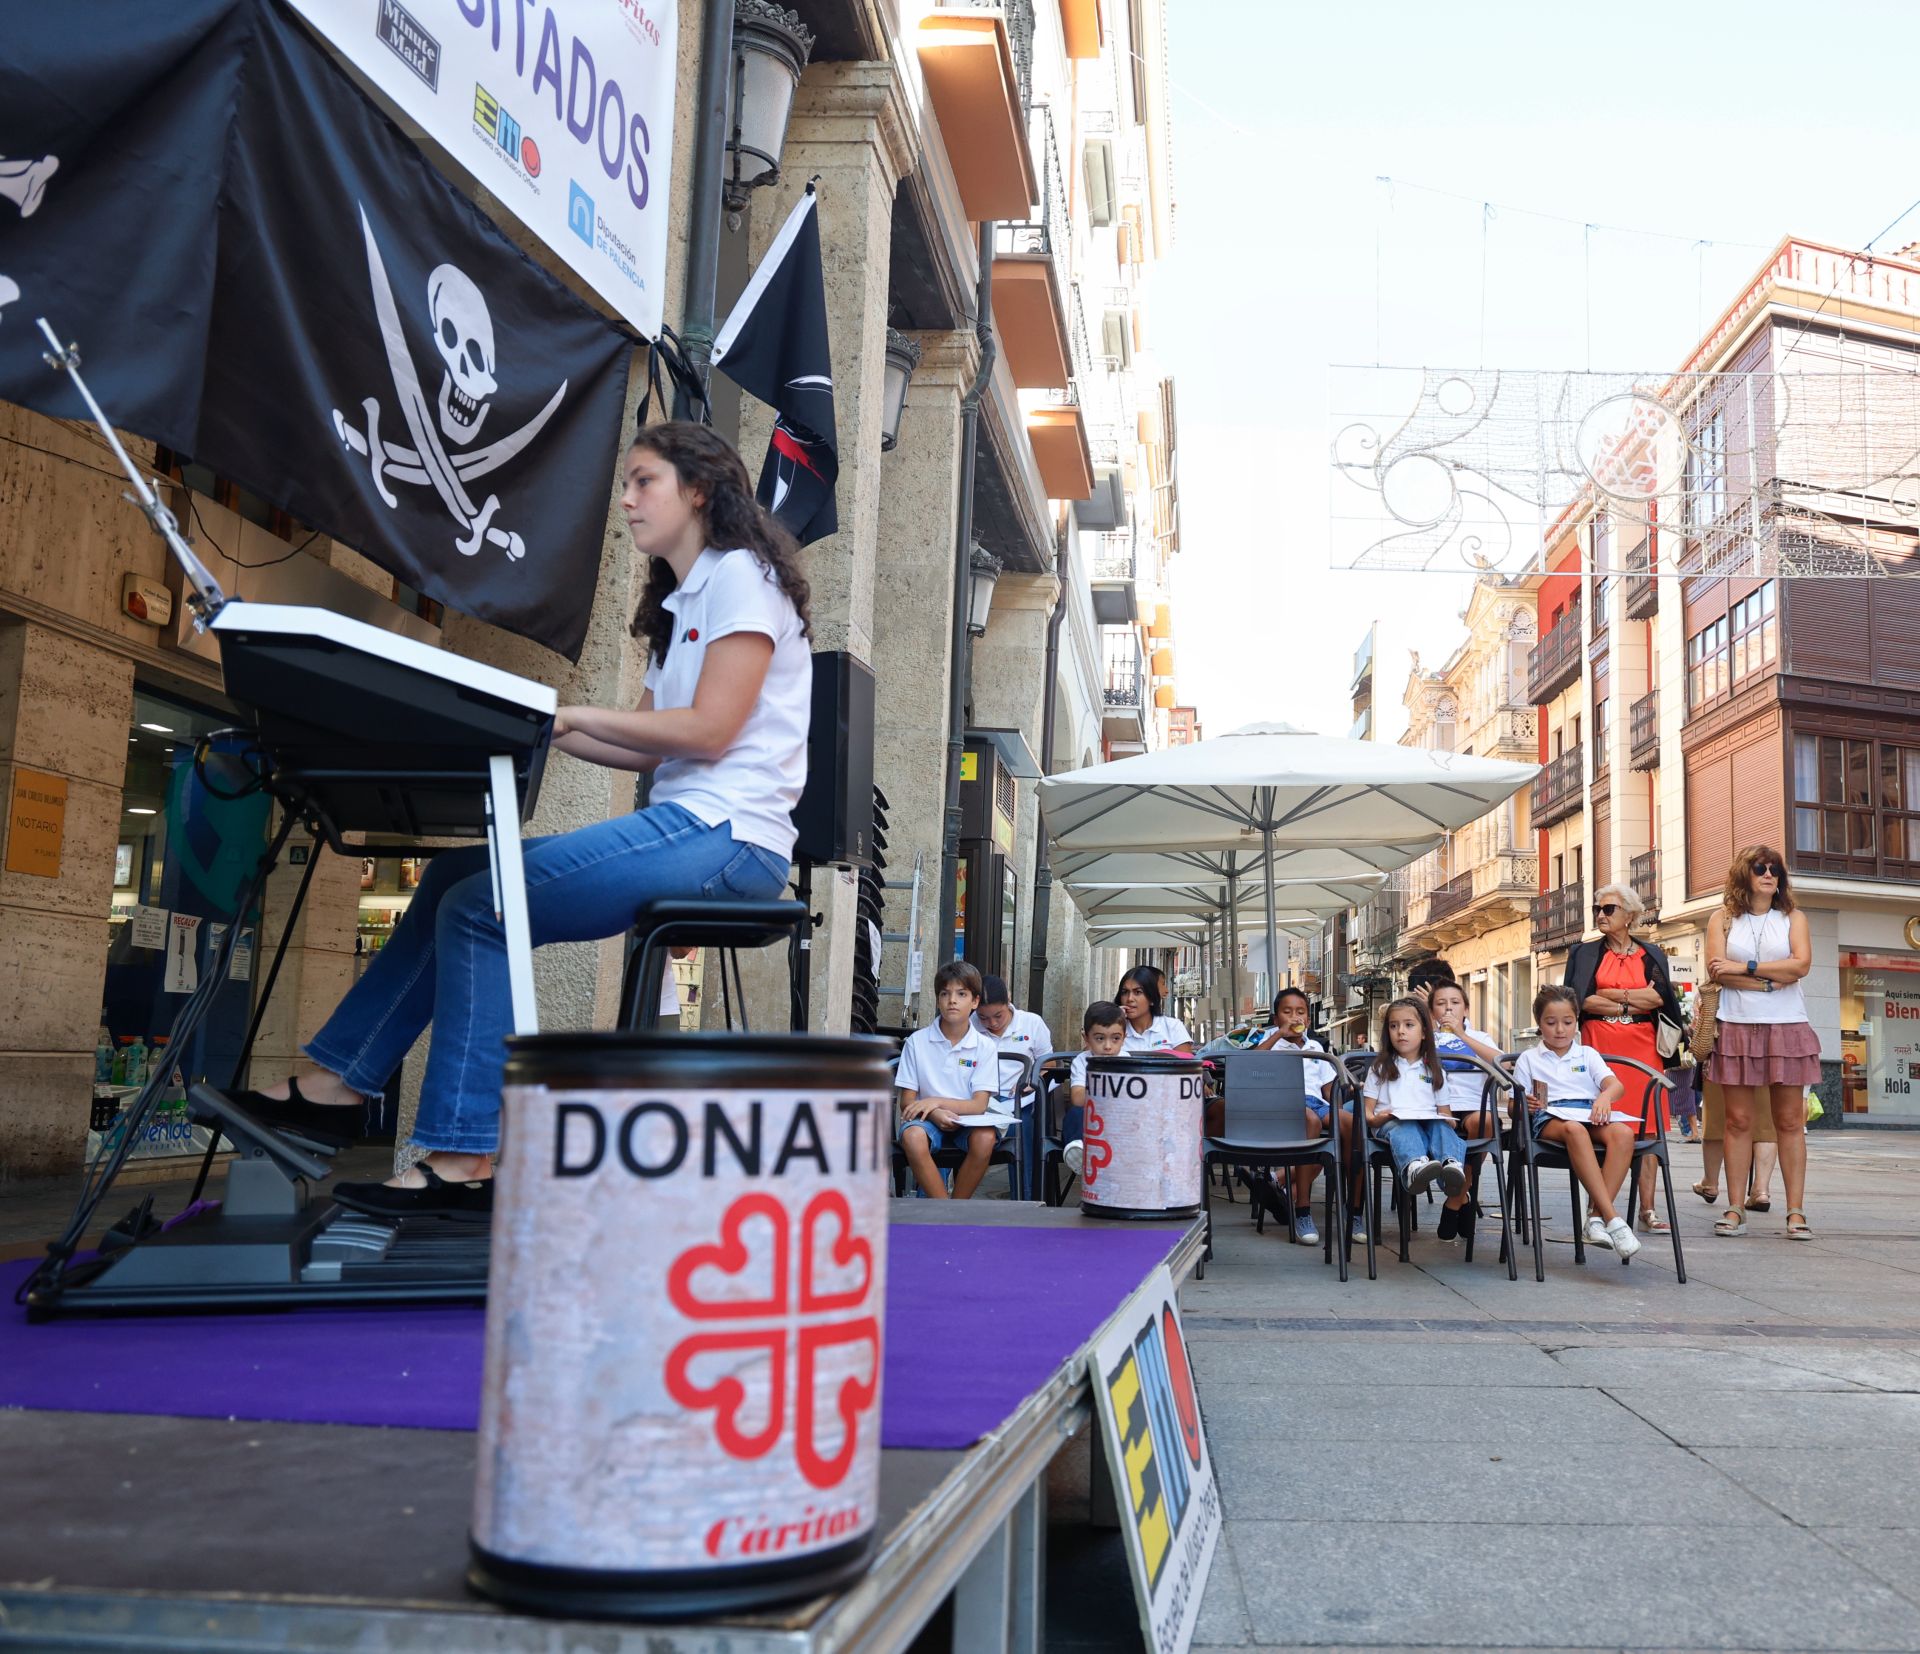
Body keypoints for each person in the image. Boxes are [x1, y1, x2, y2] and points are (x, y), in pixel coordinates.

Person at [232, 423, 810, 1218]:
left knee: (483, 908)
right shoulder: (679, 606)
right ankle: (337, 1086)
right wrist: (540, 727)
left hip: (731, 837)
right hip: (693, 824)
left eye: (645, 481)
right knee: (454, 877)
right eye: (628, 483)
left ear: (699, 488)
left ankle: (466, 1156)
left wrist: (568, 718)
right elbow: (642, 749)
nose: (629, 500)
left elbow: (707, 731)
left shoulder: (742, 575)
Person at [1704, 845, 1817, 1239]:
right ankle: (1735, 1208)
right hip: (1735, 1024)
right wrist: (1772, 979)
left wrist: (1747, 967)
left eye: (1775, 869)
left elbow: (1800, 966)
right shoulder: (1721, 919)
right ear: (1744, 875)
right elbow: (1718, 972)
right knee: (1738, 1121)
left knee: (1789, 1122)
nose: (1769, 874)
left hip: (1787, 1025)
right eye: (1760, 868)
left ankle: (1796, 1212)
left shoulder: (1793, 918)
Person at [1565, 882, 1687, 1234]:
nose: (1601, 915)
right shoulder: (1584, 954)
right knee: (1605, 1126)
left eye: (1609, 909)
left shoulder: (1652, 955)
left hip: (1644, 1047)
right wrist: (1630, 999)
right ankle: (1600, 1209)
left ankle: (1647, 1210)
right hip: (1600, 1047)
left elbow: (1659, 999)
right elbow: (1580, 1001)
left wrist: (1610, 995)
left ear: (1630, 916)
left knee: (1648, 1128)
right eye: (1598, 910)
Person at [1512, 984, 1642, 1259]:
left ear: (1577, 1022)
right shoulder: (1529, 1059)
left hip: (1588, 1111)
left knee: (1624, 1134)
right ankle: (1613, 1219)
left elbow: (1615, 1085)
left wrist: (1605, 1097)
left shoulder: (1587, 1054)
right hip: (1551, 1118)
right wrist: (1525, 1104)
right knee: (1574, 1130)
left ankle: (1595, 1218)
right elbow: (1514, 1105)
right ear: (1539, 1024)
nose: (1560, 1029)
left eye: (1567, 1022)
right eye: (1551, 1023)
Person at [896, 960, 1003, 1199]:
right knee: (912, 1137)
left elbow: (979, 1105)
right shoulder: (917, 1042)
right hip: (925, 1120)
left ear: (975, 1001)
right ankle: (944, 1207)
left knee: (986, 1138)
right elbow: (907, 1101)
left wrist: (934, 1101)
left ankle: (958, 1205)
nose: (952, 1000)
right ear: (937, 1000)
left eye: (961, 994)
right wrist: (933, 1113)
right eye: (945, 993)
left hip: (969, 1119)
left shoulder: (985, 1046)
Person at [1257, 986, 1349, 1248]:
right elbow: (1250, 1066)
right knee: (1311, 1122)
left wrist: (1338, 1113)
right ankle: (1303, 1210)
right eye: (1287, 1012)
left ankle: (1354, 1211)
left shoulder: (1316, 1048)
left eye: (1300, 1012)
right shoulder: (1271, 1045)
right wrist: (1277, 1037)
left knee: (1350, 1124)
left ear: (1308, 1019)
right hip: (1283, 1103)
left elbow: (1331, 1092)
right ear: (1276, 1019)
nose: (1294, 1017)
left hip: (1317, 1103)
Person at [1362, 997, 1469, 1202]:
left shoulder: (1434, 1070)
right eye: (1394, 1026)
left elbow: (1445, 1112)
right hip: (1390, 1125)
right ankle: (1414, 1169)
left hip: (1427, 1122)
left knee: (1442, 1128)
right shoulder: (1380, 1068)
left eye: (1409, 1025)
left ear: (1424, 1033)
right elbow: (1368, 1112)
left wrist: (1445, 1121)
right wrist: (1376, 1119)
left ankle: (1451, 1167)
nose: (1400, 1031)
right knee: (1406, 1127)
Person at [1429, 979, 1506, 1244]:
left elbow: (1502, 1063)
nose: (1448, 1009)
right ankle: (1463, 1194)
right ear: (1432, 1012)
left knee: (1484, 1124)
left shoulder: (1480, 1037)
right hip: (1437, 1109)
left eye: (1454, 1003)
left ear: (1466, 1009)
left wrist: (1462, 1036)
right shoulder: (1425, 1038)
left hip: (1475, 1106)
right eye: (1441, 1004)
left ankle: (1456, 1197)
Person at [1060, 1000, 1128, 1180]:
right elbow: (1077, 1098)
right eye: (1100, 1038)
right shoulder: (1082, 1062)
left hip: (1119, 1121)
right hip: (1091, 1121)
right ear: (1086, 1038)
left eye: (1115, 1039)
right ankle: (1079, 1150)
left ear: (1124, 1038)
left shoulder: (1128, 1062)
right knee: (1075, 1113)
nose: (1107, 1046)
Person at [973, 974, 1054, 1106]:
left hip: (1020, 1098)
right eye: (983, 1018)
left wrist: (1030, 1081)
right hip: (980, 1098)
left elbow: (1048, 1064)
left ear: (1008, 1000)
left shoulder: (1032, 1023)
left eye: (998, 1016)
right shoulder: (969, 1027)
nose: (992, 1023)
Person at [1116, 965, 1194, 1053]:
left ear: (1152, 999)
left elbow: (1185, 1064)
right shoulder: (1114, 1028)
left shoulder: (1172, 1027)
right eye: (1124, 992)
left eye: (1138, 992)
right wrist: (1115, 1020)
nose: (1129, 998)